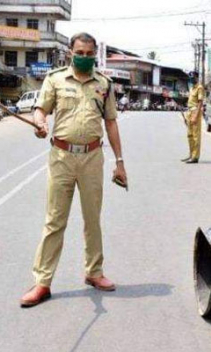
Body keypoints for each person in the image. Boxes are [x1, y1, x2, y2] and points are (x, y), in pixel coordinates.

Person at [20, 32, 128, 308]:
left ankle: (94, 272)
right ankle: (42, 282)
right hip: (61, 157)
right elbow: (40, 110)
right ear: (71, 53)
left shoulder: (104, 84)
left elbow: (111, 123)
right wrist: (40, 123)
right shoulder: (55, 79)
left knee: (93, 219)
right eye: (80, 52)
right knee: (55, 220)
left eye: (90, 54)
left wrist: (120, 161)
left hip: (93, 157)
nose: (85, 58)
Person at [182, 71, 204, 164]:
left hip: (195, 111)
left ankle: (195, 157)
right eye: (190, 77)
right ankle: (191, 154)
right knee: (189, 135)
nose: (191, 79)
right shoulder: (191, 88)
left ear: (196, 77)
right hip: (189, 111)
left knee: (195, 136)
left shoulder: (199, 87)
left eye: (193, 77)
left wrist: (195, 115)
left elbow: (200, 102)